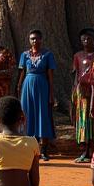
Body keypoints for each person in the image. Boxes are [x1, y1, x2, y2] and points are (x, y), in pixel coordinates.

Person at [16, 30, 56, 158]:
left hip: (42, 86)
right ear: (29, 40)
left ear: (41, 39)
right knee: (27, 115)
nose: (35, 41)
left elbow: (50, 76)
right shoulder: (25, 55)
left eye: (37, 38)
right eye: (32, 39)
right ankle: (28, 148)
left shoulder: (47, 55)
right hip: (27, 85)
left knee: (42, 115)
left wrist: (51, 93)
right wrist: (19, 86)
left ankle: (43, 149)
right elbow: (22, 72)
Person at [72, 29, 94, 163]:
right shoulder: (78, 55)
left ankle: (93, 150)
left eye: (89, 39)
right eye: (83, 39)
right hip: (81, 91)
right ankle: (84, 150)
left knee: (93, 119)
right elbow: (76, 74)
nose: (86, 41)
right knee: (83, 120)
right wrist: (74, 90)